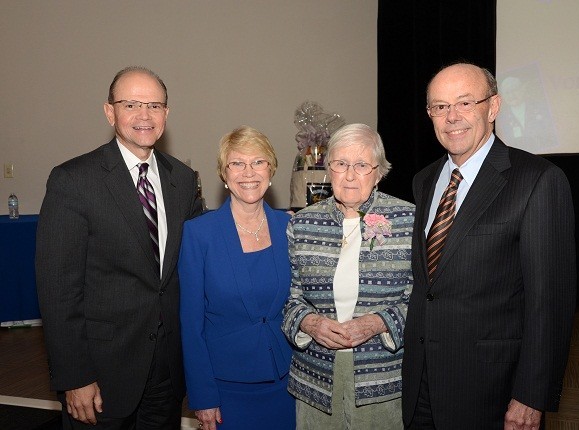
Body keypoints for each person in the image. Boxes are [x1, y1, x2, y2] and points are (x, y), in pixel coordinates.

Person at [401, 62, 576, 430]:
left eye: (465, 103)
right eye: (440, 106)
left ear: (493, 108)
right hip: (421, 383)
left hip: (491, 389)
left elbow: (550, 302)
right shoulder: (424, 180)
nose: (452, 117)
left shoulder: (537, 181)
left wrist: (531, 394)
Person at [35, 66, 202, 429]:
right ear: (109, 112)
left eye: (154, 106)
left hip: (166, 370)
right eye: (131, 105)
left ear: (166, 115)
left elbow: (194, 265)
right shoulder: (73, 180)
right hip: (100, 371)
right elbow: (57, 290)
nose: (144, 115)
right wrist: (73, 376)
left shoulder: (184, 180)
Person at [282, 123, 415, 429]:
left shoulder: (408, 219)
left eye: (362, 165)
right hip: (315, 377)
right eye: (341, 164)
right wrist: (309, 322)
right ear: (329, 169)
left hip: (382, 377)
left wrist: (377, 323)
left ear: (378, 172)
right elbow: (290, 299)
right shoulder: (303, 223)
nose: (350, 175)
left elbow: (421, 298)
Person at [179, 126, 296, 430]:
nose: (248, 172)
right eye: (237, 163)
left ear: (271, 170)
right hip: (226, 387)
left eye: (258, 162)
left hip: (289, 382)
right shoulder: (199, 234)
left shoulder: (290, 228)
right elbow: (191, 324)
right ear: (224, 174)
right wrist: (203, 396)